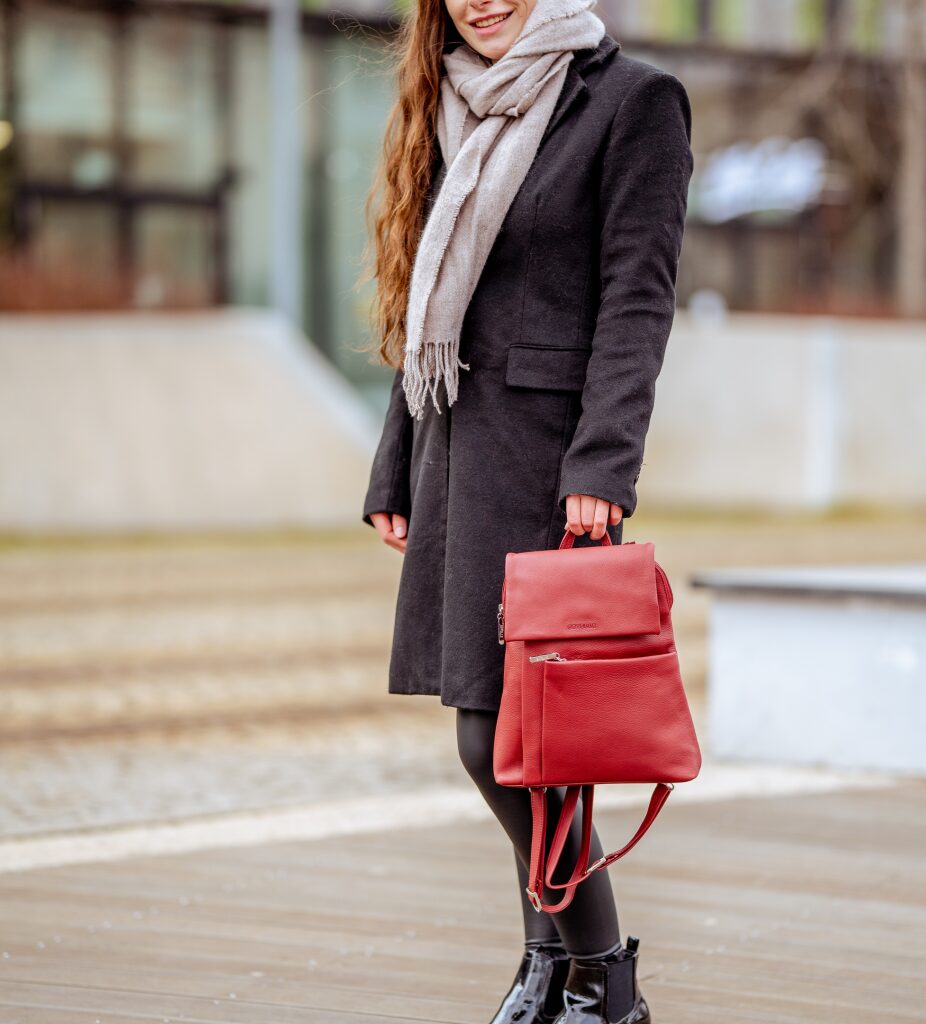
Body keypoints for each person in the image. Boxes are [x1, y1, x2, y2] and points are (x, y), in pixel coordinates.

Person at [360, 1, 692, 1020]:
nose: (481, 1)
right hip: (458, 453)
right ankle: (546, 969)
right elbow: (429, 306)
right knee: (521, 738)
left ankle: (605, 977)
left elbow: (637, 298)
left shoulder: (632, 102)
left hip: (551, 466)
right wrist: (396, 464)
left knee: (504, 736)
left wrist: (603, 462)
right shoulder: (446, 100)